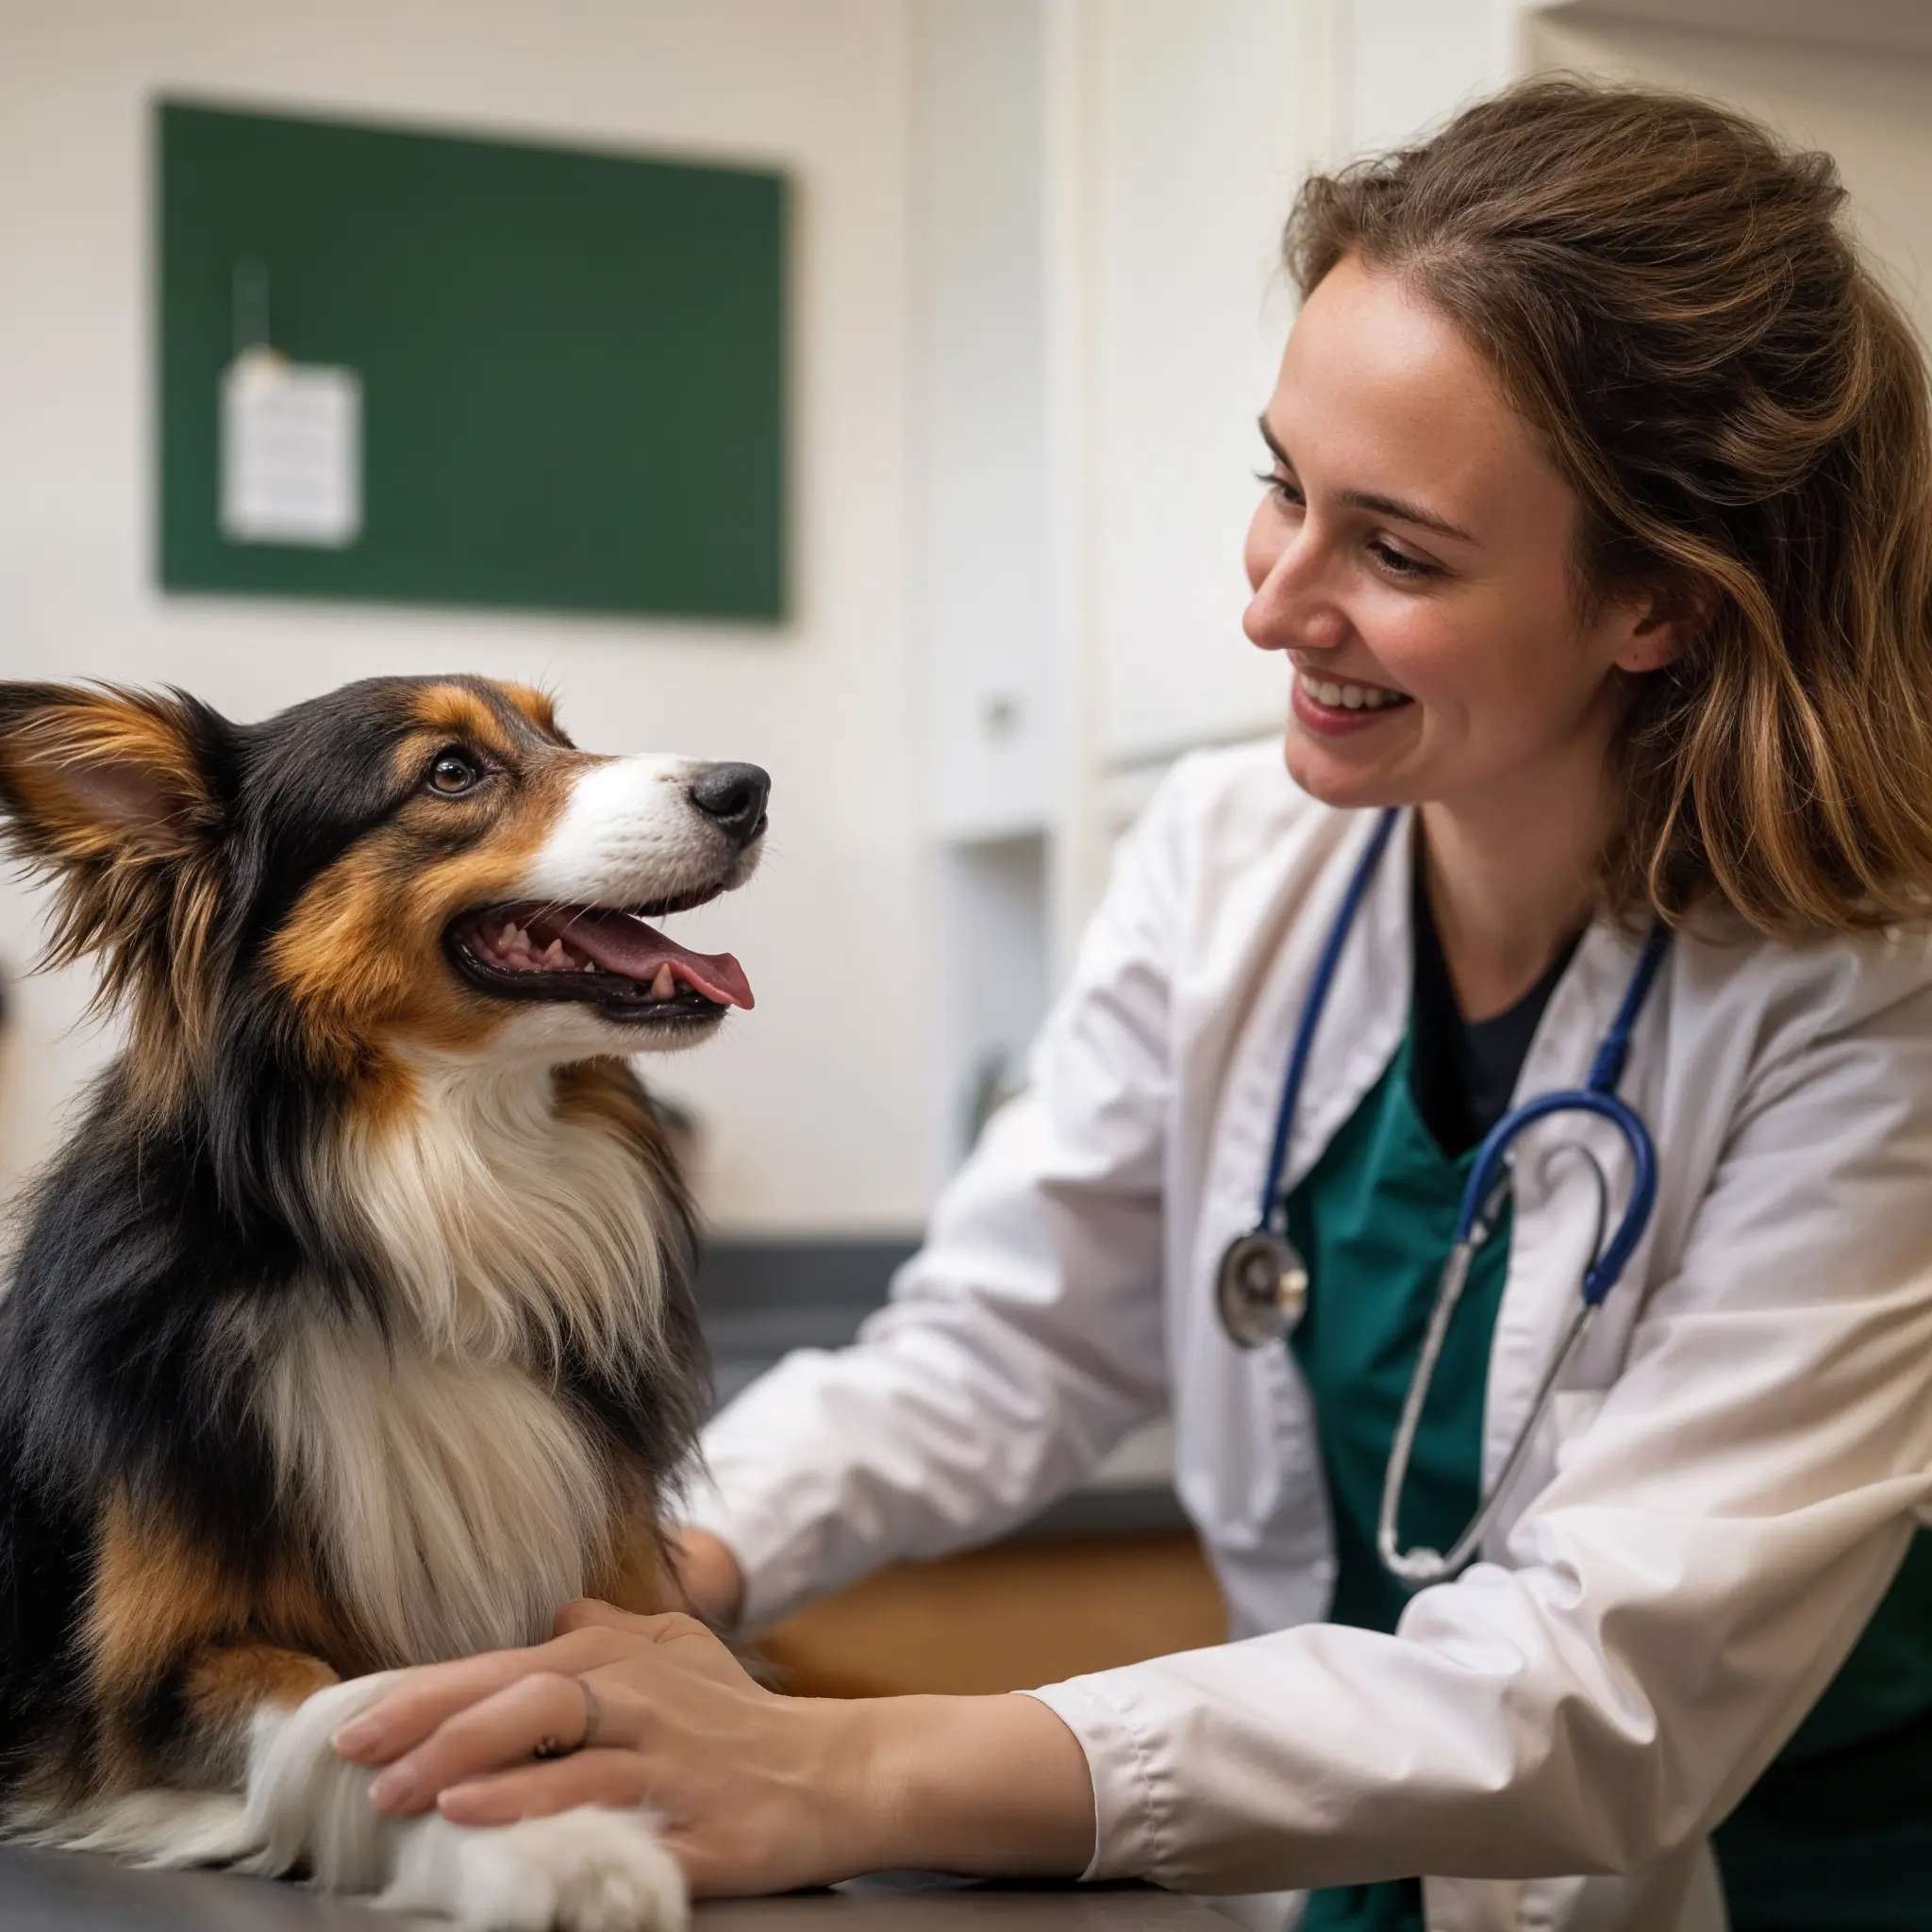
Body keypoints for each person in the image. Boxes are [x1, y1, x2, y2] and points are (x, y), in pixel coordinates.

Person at [332, 80, 1932, 1931]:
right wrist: (624, 1575)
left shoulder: (1867, 1004)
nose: (1273, 607)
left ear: (1656, 602)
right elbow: (1004, 1345)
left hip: (1760, 1877)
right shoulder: (1233, 848)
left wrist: (837, 1766)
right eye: (1282, 490)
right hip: (1357, 1846)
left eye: (1395, 551)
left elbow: (1604, 1691)